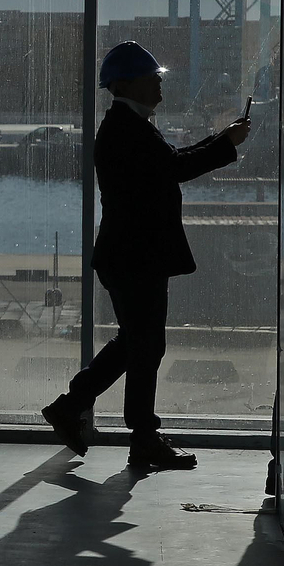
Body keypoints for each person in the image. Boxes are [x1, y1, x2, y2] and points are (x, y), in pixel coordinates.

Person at [42, 41, 251, 471]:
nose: (159, 85)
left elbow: (170, 162)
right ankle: (141, 437)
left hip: (129, 256)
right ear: (124, 85)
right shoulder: (129, 130)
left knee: (135, 343)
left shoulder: (127, 126)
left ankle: (74, 407)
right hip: (135, 258)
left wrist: (222, 139)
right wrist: (226, 144)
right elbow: (175, 168)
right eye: (151, 78)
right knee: (145, 345)